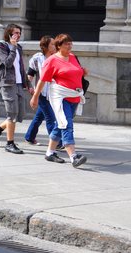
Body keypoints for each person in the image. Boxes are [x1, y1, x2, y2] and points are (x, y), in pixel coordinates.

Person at [30, 34, 89, 168]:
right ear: (58, 46)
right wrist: (35, 97)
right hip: (60, 97)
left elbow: (76, 73)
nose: (70, 46)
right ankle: (74, 157)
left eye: (70, 43)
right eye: (66, 44)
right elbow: (42, 79)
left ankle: (50, 152)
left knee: (60, 124)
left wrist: (83, 73)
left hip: (74, 96)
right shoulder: (52, 60)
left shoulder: (73, 57)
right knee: (66, 124)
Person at [0, 24, 35, 154]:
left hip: (19, 84)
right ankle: (10, 143)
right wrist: (13, 46)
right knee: (12, 114)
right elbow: (8, 63)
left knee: (20, 114)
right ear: (9, 34)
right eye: (16, 33)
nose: (18, 35)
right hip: (7, 84)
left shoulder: (19, 48)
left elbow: (21, 69)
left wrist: (29, 85)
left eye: (19, 33)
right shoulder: (2, 48)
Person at [24, 36, 63, 149]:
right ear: (44, 46)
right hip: (41, 93)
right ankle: (57, 143)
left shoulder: (58, 58)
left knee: (39, 116)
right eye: (52, 44)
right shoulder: (37, 58)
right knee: (51, 117)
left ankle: (29, 136)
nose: (54, 46)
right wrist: (29, 87)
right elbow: (30, 74)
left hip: (54, 93)